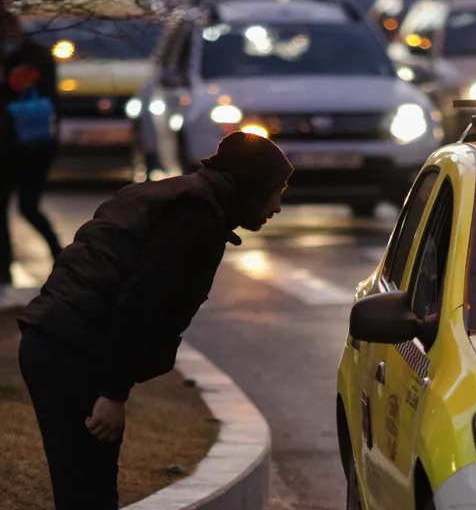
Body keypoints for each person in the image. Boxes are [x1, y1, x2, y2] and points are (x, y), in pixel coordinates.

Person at [16, 130, 293, 509]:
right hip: (71, 352)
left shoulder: (170, 196)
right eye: (275, 191)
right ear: (251, 186)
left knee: (80, 487)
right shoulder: (196, 218)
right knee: (89, 493)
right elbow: (140, 305)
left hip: (51, 339)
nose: (277, 205)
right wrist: (113, 393)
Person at [0, 9, 62, 285]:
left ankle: (60, 257)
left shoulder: (33, 57)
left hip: (32, 146)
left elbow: (27, 89)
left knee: (28, 206)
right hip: (14, 145)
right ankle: (4, 270)